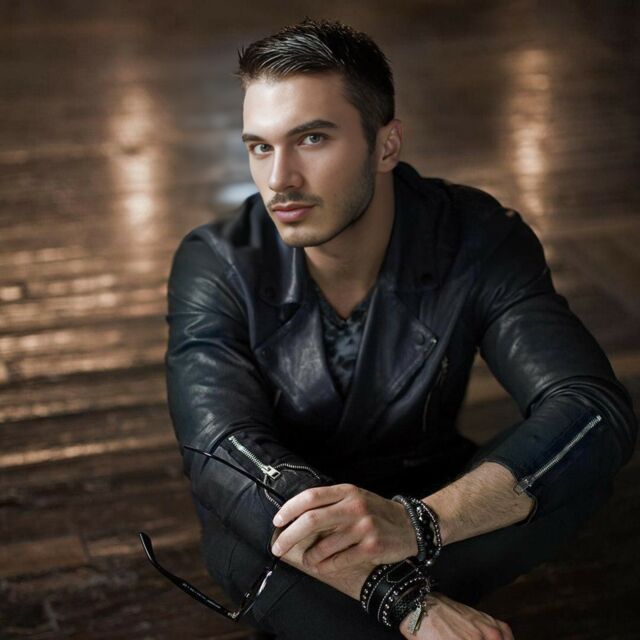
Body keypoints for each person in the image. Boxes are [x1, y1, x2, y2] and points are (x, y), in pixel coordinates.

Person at [162, 19, 637, 639]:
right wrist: (406, 602)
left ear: (387, 146)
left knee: (576, 469)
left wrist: (421, 523)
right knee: (247, 528)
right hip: (275, 520)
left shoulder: (476, 237)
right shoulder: (215, 260)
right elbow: (223, 448)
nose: (279, 180)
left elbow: (592, 408)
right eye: (260, 147)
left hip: (426, 501)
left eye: (311, 138)